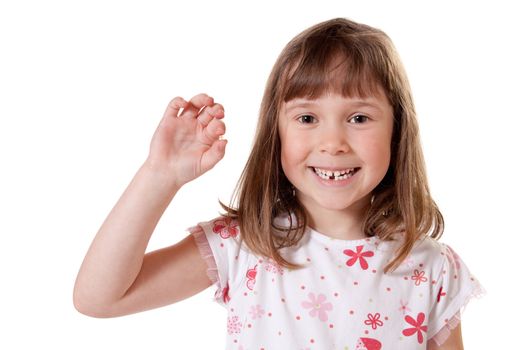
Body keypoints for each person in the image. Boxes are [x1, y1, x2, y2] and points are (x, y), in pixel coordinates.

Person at [74, 18, 484, 349]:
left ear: (397, 131)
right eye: (307, 118)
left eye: (359, 118)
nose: (333, 143)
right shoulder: (244, 244)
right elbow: (100, 298)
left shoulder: (430, 268)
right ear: (277, 133)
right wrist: (159, 176)